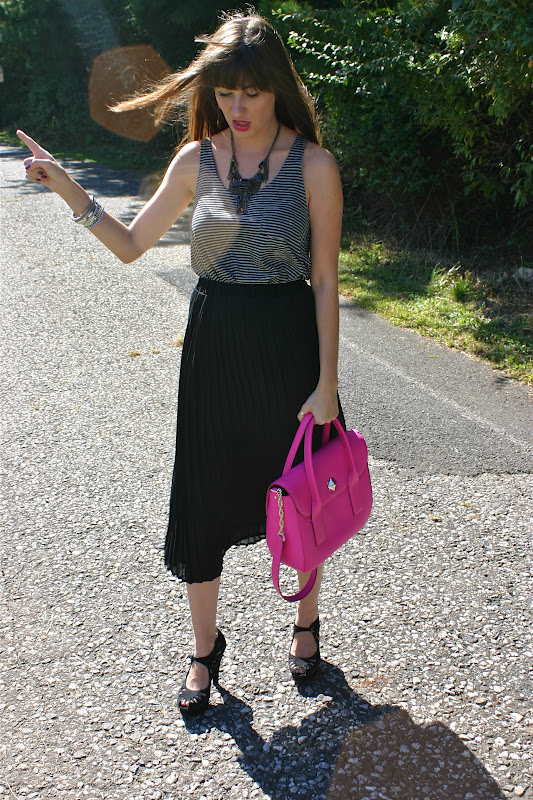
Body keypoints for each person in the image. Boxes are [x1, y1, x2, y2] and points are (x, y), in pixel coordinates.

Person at [17, 10, 345, 716]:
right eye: (226, 92)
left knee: (304, 492)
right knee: (202, 494)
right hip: (215, 340)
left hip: (289, 342)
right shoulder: (195, 160)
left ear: (278, 89)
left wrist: (328, 382)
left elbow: (325, 280)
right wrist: (69, 188)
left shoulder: (314, 166)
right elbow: (132, 245)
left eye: (252, 92)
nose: (238, 106)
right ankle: (204, 649)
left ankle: (306, 622)